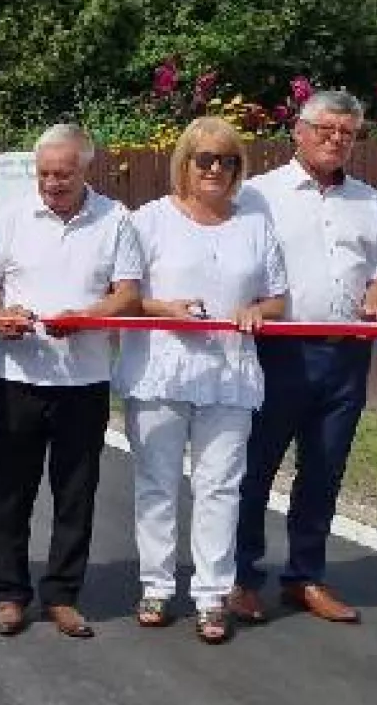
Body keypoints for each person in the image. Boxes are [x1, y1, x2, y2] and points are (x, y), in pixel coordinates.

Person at [114, 116, 288, 645]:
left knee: (220, 487)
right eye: (204, 159)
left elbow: (278, 298)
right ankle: (157, 585)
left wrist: (259, 311)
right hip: (162, 369)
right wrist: (163, 308)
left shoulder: (255, 224)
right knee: (158, 484)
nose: (215, 169)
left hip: (228, 372)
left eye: (226, 161)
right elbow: (126, 293)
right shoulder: (149, 220)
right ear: (184, 164)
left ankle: (212, 594)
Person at [230, 91, 377, 626]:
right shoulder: (257, 195)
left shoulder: (371, 200)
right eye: (324, 129)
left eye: (346, 132)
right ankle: (241, 578)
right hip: (276, 351)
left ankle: (305, 576)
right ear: (298, 131)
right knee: (254, 470)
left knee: (324, 470)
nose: (335, 140)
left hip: (346, 354)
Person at [0, 123, 141, 640]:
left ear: (86, 168)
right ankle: (9, 594)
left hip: (84, 379)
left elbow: (128, 294)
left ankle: (63, 595)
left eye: (63, 174)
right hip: (18, 374)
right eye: (44, 173)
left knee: (75, 492)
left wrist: (88, 316)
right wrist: (2, 314)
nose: (52, 183)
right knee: (11, 491)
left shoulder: (116, 219)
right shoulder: (13, 217)